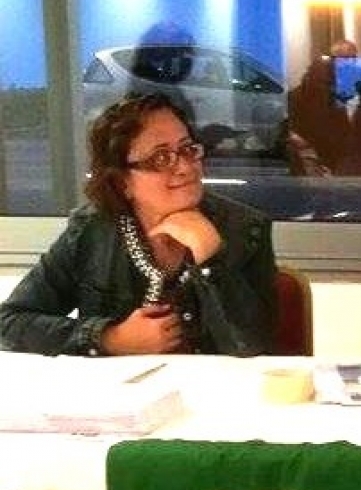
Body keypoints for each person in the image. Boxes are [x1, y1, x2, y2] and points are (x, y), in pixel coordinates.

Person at [0, 92, 277, 356]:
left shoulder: (246, 227)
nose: (185, 167)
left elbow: (254, 348)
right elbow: (9, 322)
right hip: (119, 389)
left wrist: (210, 255)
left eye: (187, 149)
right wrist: (109, 339)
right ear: (122, 181)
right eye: (161, 158)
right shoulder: (91, 230)